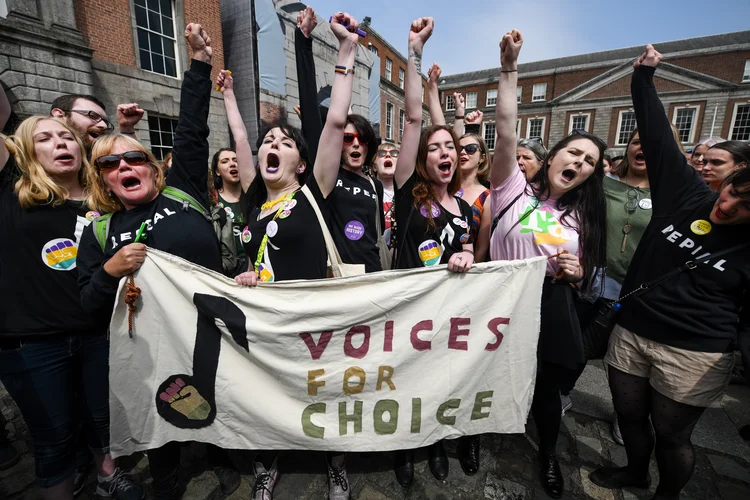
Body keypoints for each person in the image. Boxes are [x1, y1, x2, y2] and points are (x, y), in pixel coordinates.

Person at [76, 23, 240, 500]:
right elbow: (87, 301)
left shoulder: (183, 189)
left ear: (152, 166)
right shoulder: (101, 231)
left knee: (218, 393)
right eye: (111, 165)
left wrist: (200, 62)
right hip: (149, 344)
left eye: (134, 159)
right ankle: (166, 477)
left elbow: (191, 127)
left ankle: (222, 453)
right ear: (104, 181)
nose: (124, 168)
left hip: (207, 326)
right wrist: (110, 271)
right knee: (160, 407)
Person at [588, 44, 750, 500]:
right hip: (633, 332)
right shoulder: (686, 195)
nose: (728, 204)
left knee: (673, 437)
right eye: (732, 191)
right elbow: (658, 138)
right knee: (631, 417)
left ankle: (667, 495)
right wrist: (643, 79)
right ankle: (634, 472)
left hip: (694, 354)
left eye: (744, 206)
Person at [233, 12, 367, 500]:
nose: (273, 144)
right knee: (265, 394)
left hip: (313, 318)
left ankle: (336, 463)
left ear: (301, 161)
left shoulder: (314, 191)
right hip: (267, 318)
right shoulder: (254, 203)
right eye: (270, 140)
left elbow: (334, 119)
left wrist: (346, 51)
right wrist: (246, 274)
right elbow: (256, 257)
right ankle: (267, 465)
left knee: (325, 392)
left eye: (285, 143)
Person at [0, 112, 144, 499]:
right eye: (44, 138)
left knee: (104, 419)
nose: (60, 143)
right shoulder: (12, 190)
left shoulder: (107, 202)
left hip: (98, 332)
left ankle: (107, 476)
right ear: (24, 151)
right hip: (33, 343)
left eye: (65, 136)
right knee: (54, 438)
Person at [489, 29, 607, 499]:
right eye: (574, 152)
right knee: (488, 375)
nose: (579, 162)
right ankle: (475, 436)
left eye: (590, 162)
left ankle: (548, 453)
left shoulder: (583, 216)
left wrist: (578, 274)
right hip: (497, 302)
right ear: (553, 155)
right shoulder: (511, 187)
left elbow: (584, 272)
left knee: (544, 391)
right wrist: (510, 69)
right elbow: (504, 129)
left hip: (548, 309)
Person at [390, 16, 476, 487]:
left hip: (447, 314)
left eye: (451, 147)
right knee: (407, 380)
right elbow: (414, 119)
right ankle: (405, 451)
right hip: (409, 312)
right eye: (435, 148)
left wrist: (467, 257)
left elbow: (465, 252)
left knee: (441, 382)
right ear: (422, 161)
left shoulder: (463, 207)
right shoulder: (409, 194)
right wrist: (415, 52)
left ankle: (437, 444)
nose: (444, 152)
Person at [294, 6, 386, 276]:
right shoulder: (326, 176)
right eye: (348, 138)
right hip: (337, 281)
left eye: (362, 139)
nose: (356, 144)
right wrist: (343, 46)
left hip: (374, 278)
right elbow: (327, 115)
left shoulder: (375, 185)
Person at [215, 69, 255, 276]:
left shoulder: (254, 194)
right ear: (217, 171)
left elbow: (241, 139)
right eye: (225, 161)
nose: (233, 164)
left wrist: (230, 93)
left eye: (236, 160)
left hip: (254, 269)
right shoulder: (212, 200)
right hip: (225, 271)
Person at [372, 141, 398, 242]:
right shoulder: (368, 192)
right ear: (374, 166)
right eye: (381, 153)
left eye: (394, 153)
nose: (388, 155)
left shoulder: (408, 194)